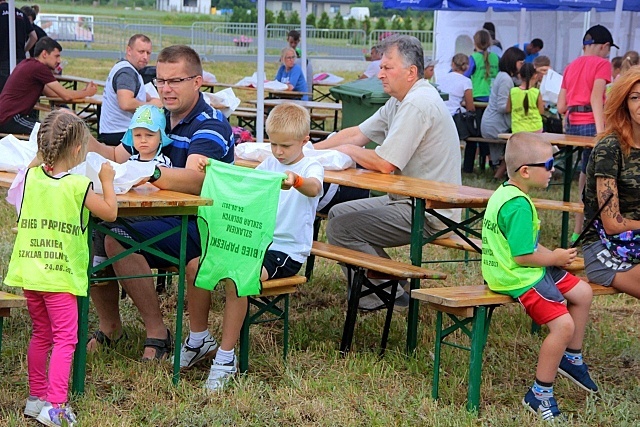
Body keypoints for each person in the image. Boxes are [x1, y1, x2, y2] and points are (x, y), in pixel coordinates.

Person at [86, 45, 234, 360]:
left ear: (198, 82)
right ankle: (111, 324)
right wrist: (84, 141)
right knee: (93, 224)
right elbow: (116, 155)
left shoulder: (211, 124)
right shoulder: (155, 117)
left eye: (175, 81)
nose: (165, 88)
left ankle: (157, 331)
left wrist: (149, 172)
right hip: (161, 217)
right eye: (160, 80)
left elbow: (195, 179)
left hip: (201, 224)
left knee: (115, 236)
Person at [180, 102, 323, 391]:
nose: (278, 151)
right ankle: (198, 338)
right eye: (273, 144)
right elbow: (244, 184)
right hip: (252, 241)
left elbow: (314, 187)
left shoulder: (310, 166)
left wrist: (295, 180)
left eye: (285, 145)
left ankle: (225, 356)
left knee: (238, 279)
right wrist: (214, 168)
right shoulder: (270, 163)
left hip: (284, 251)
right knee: (195, 266)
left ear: (305, 140)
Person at [313, 35, 461, 310]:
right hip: (408, 200)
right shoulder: (400, 100)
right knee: (337, 214)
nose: (379, 74)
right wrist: (310, 152)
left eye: (387, 68)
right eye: (380, 67)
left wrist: (348, 150)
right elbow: (357, 133)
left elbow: (384, 163)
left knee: (342, 226)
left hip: (431, 211)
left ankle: (381, 297)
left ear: (411, 72)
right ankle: (394, 289)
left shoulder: (417, 104)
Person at [4, 111, 118, 427]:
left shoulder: (31, 177)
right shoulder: (79, 185)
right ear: (79, 150)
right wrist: (107, 182)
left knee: (41, 333)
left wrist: (41, 153)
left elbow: (27, 176)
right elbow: (109, 212)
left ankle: (36, 397)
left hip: (31, 271)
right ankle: (56, 406)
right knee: (66, 338)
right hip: (59, 273)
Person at [482, 132, 597, 421]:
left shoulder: (509, 192)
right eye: (548, 164)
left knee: (583, 293)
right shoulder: (518, 205)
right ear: (525, 170)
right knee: (563, 326)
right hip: (514, 276)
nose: (553, 170)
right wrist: (555, 258)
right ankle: (539, 394)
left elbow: (528, 245)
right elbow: (523, 256)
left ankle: (571, 359)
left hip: (524, 266)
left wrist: (555, 257)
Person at [91, 104, 173, 275]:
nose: (143, 140)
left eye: (149, 135)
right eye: (137, 135)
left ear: (160, 138)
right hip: (127, 209)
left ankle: (99, 269)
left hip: (152, 212)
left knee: (105, 226)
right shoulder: (130, 161)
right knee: (93, 222)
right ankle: (97, 264)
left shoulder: (162, 165)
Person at [582, 68, 640, 300]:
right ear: (624, 103)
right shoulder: (610, 148)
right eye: (635, 97)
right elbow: (612, 223)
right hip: (603, 246)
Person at [557, 24, 614, 244]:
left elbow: (561, 105)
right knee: (596, 178)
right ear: (604, 46)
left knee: (583, 174)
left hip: (572, 124)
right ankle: (592, 231)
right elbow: (595, 98)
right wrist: (601, 133)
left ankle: (577, 230)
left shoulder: (571, 66)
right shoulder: (603, 64)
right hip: (592, 124)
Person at [0, 37, 97, 135]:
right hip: (10, 118)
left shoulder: (29, 64)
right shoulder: (39, 68)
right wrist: (87, 93)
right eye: (56, 56)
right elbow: (66, 95)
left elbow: (52, 94)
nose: (59, 60)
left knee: (51, 130)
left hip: (7, 117)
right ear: (44, 54)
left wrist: (82, 92)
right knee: (50, 133)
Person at [99, 34, 163, 146]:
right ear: (129, 50)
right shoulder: (126, 73)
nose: (145, 57)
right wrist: (151, 105)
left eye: (148, 53)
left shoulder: (125, 68)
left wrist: (150, 98)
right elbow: (126, 103)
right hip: (120, 133)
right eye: (141, 52)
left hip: (114, 131)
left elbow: (138, 94)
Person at [480, 46, 525, 180]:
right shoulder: (506, 79)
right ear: (513, 62)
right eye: (520, 63)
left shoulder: (502, 76)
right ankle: (499, 174)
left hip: (490, 122)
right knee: (519, 143)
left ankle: (500, 172)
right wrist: (519, 105)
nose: (522, 66)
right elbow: (502, 106)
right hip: (495, 125)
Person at [438, 54, 476, 173]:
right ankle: (468, 168)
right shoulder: (466, 81)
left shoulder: (442, 79)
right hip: (455, 117)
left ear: (452, 64)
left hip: (440, 115)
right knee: (472, 139)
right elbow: (471, 106)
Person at [0, 0, 36, 93]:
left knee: (4, 94)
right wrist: (24, 50)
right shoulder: (20, 13)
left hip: (3, 61)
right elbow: (34, 37)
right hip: (20, 60)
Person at [507, 63, 544, 133]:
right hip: (536, 128)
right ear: (534, 75)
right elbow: (541, 111)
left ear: (519, 75)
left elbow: (508, 109)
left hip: (518, 129)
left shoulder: (513, 92)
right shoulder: (536, 92)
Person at [464, 29, 500, 102]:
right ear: (490, 42)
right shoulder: (496, 57)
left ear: (475, 42)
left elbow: (465, 76)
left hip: (477, 94)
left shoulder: (473, 58)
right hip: (493, 95)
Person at [287, 29, 313, 95]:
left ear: (298, 41)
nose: (293, 45)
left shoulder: (299, 52)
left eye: (295, 43)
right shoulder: (286, 52)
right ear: (288, 40)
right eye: (291, 42)